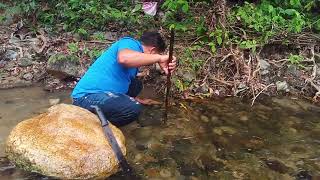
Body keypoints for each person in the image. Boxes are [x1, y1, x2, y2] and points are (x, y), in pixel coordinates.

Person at [71, 31, 177, 126]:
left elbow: (123, 82)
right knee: (132, 109)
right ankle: (100, 128)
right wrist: (160, 58)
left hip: (102, 95)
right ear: (152, 50)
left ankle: (116, 111)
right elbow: (124, 58)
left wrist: (137, 99)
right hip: (85, 98)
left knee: (136, 85)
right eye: (156, 54)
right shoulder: (130, 43)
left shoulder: (134, 63)